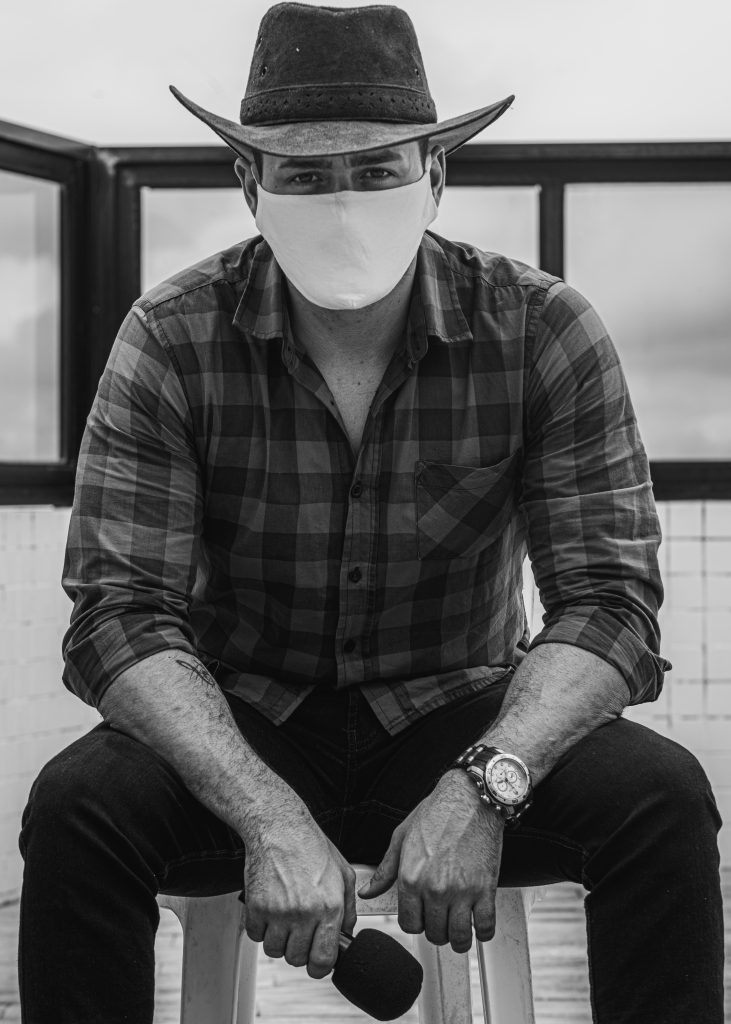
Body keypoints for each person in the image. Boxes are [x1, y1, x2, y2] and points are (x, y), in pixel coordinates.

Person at [18, 4, 723, 1022]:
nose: (342, 202)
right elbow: (118, 613)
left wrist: (484, 785)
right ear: (248, 183)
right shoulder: (170, 336)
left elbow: (609, 602)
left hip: (460, 712)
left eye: (376, 169)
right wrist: (265, 814)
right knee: (79, 807)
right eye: (305, 176)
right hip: (244, 715)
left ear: (433, 177)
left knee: (659, 798)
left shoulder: (540, 329)